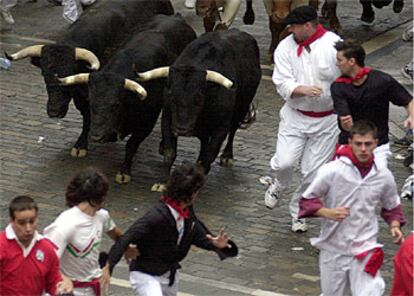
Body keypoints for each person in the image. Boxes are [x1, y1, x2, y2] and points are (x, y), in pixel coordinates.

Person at [298, 120, 406, 296]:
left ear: (376, 144)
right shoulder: (332, 171)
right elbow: (306, 201)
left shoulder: (383, 175)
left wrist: (395, 226)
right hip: (334, 248)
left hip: (366, 248)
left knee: (371, 292)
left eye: (368, 144)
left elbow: (392, 206)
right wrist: (327, 212)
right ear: (350, 143)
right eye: (359, 144)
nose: (363, 149)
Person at [101, 164, 238, 296]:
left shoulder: (188, 213)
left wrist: (218, 245)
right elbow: (126, 238)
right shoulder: (156, 216)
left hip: (169, 275)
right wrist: (109, 266)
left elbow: (198, 236)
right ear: (192, 194)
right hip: (145, 274)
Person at [264, 5, 341, 233]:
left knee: (313, 173)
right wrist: (301, 90)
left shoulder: (334, 44)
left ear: (308, 26)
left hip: (327, 121)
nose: (290, 29)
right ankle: (279, 182)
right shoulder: (285, 47)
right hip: (295, 116)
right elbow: (281, 81)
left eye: (294, 26)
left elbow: (348, 75)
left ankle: (298, 211)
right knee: (285, 162)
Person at [44, 167, 137, 296]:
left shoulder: (102, 216)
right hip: (67, 291)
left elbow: (118, 236)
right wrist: (64, 280)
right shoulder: (65, 225)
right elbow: (46, 261)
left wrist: (125, 249)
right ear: (101, 197)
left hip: (92, 288)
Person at [331, 39, 413, 168]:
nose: (337, 64)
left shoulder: (382, 81)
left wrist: (411, 116)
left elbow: (408, 101)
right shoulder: (338, 87)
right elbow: (346, 122)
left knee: (377, 181)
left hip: (379, 145)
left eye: (340, 60)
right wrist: (346, 125)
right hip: (350, 144)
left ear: (351, 61)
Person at [0, 195, 73, 295]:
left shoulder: (47, 249)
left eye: (32, 221)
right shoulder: (2, 245)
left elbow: (53, 282)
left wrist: (63, 286)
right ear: (12, 221)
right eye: (22, 223)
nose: (28, 228)